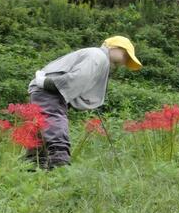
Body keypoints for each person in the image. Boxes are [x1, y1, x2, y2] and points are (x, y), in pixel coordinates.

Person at [28, 36, 142, 169]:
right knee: (54, 122)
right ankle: (60, 166)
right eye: (125, 55)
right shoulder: (97, 55)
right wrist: (45, 82)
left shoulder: (100, 59)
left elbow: (81, 81)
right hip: (48, 90)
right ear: (113, 47)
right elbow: (78, 78)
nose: (125, 61)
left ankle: (32, 169)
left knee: (40, 130)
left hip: (46, 91)